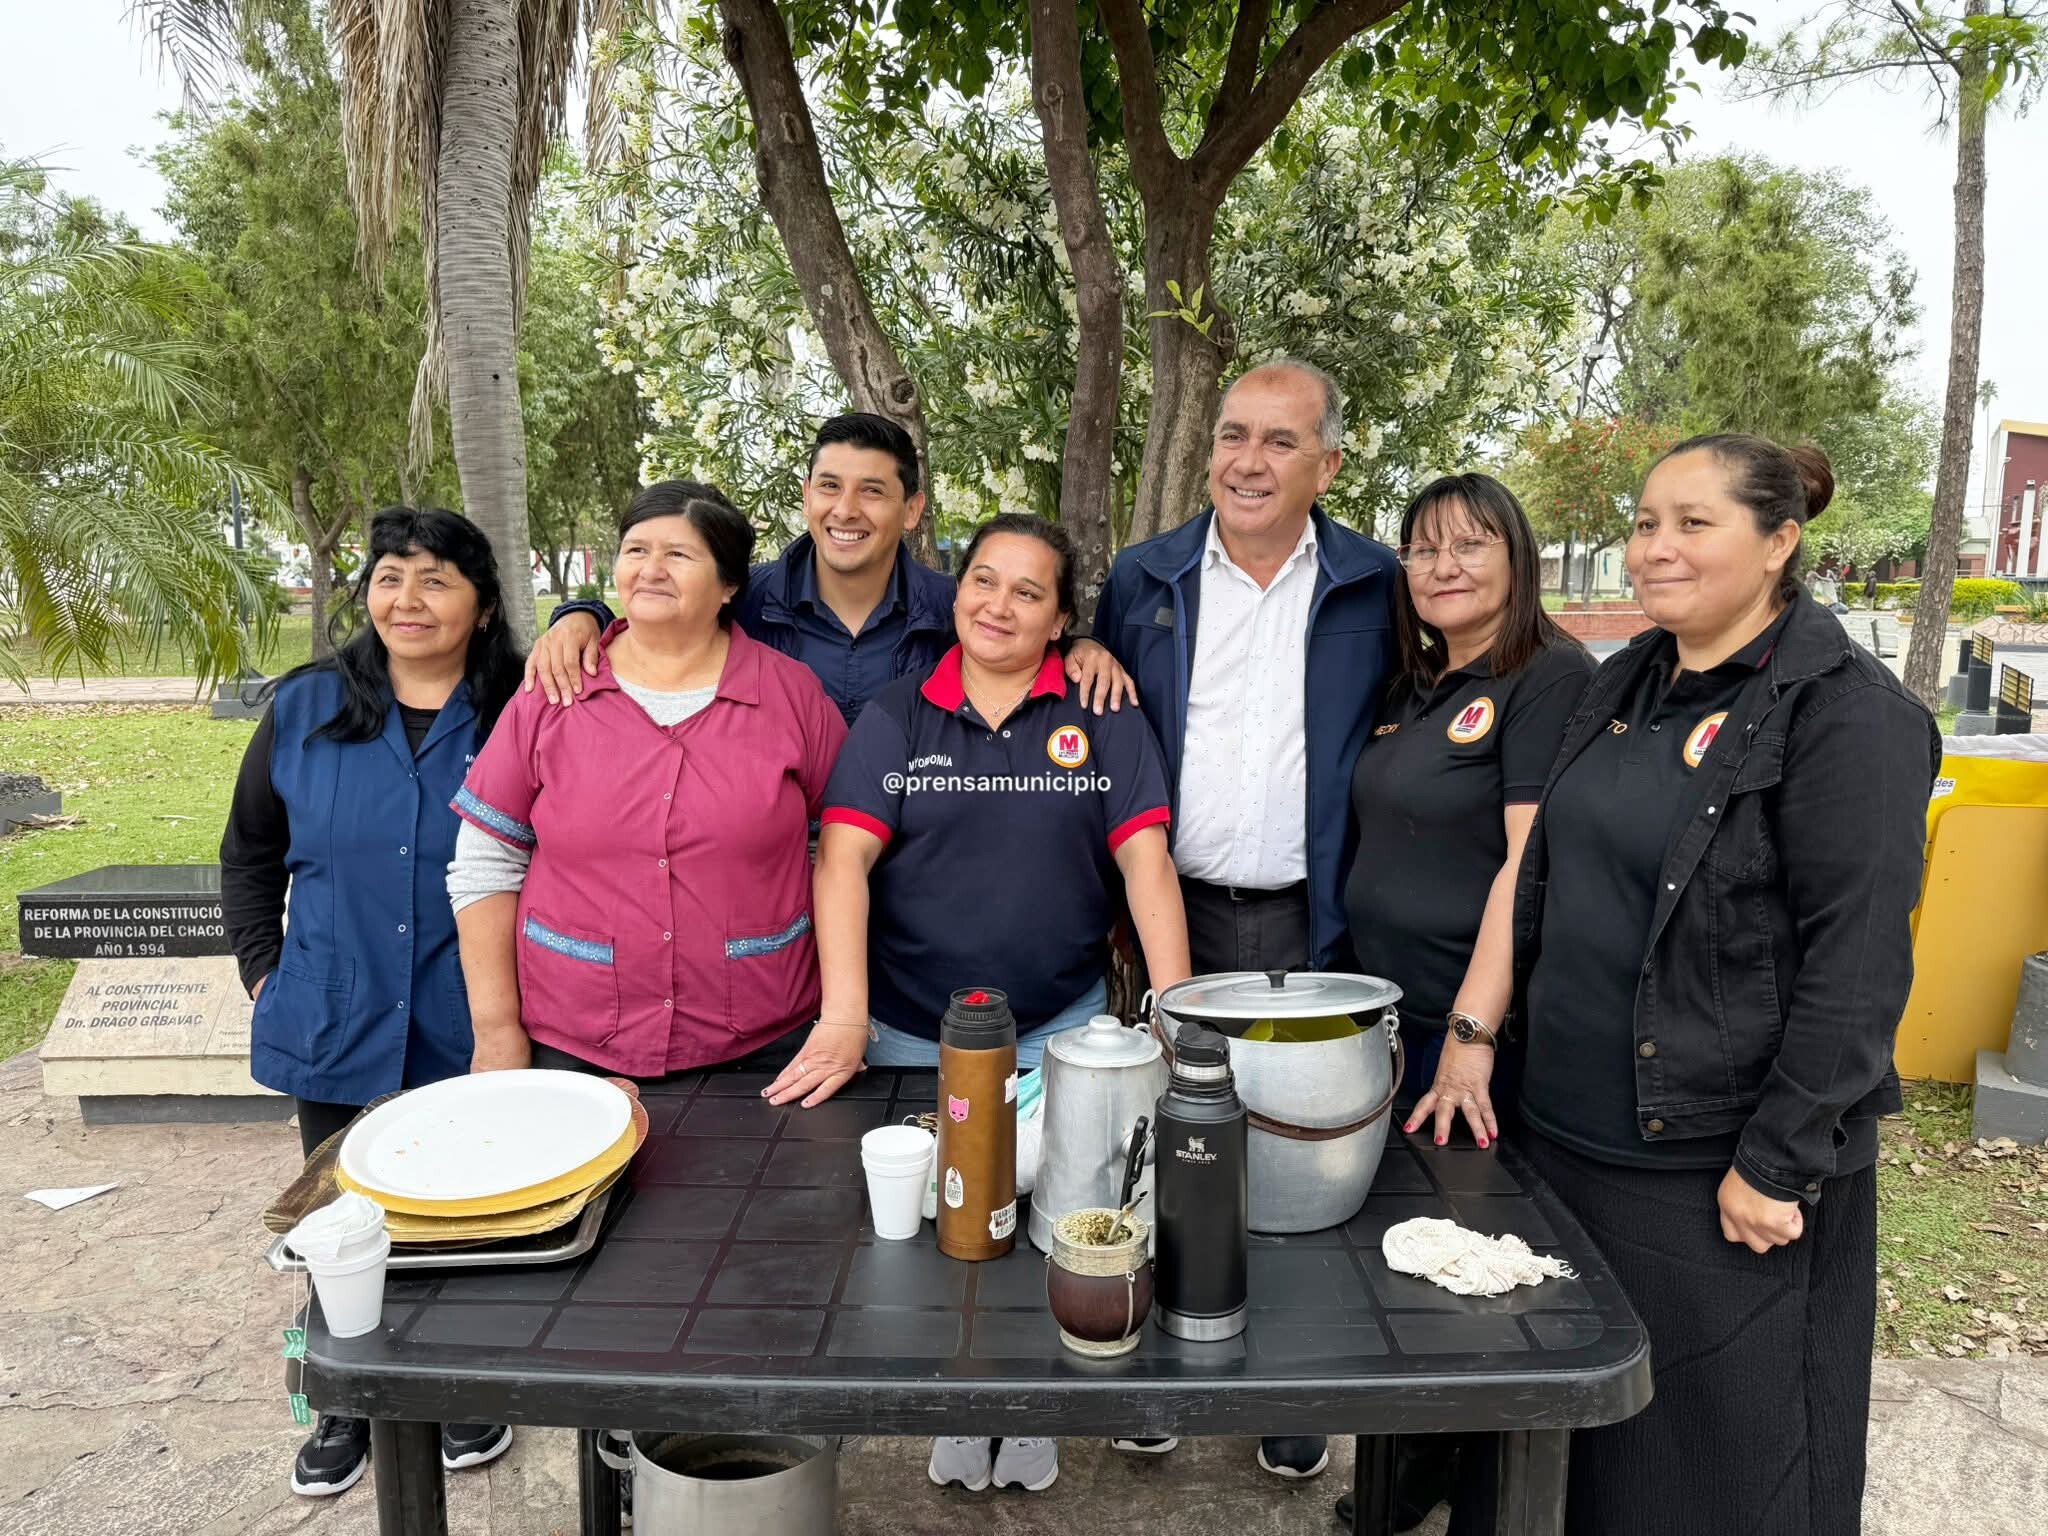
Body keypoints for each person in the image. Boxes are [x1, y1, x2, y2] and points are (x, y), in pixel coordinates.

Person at [1500, 435, 1937, 1535]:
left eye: (1693, 524)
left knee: (1717, 1470)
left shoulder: (1847, 716)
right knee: (1588, 1469)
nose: (1655, 547)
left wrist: (1775, 1161)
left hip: (1710, 1173)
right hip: (1565, 1145)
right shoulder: (1625, 679)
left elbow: (1857, 970)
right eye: (1646, 523)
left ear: (1779, 542)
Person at [801, 513, 1192, 1494]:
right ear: (957, 589)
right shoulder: (900, 712)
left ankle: (1031, 1411)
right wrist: (844, 1016)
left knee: (1053, 1223)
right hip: (912, 1035)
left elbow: (1145, 862)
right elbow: (842, 861)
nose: (998, 605)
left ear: (1061, 619)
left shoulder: (1100, 714)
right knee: (939, 1231)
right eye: (983, 580)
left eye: (1028, 591)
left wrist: (1177, 1015)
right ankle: (954, 1399)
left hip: (1058, 1031)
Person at [1091, 356, 1400, 1482]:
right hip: (1179, 921)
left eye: (1280, 440)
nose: (1248, 461)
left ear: (1328, 464)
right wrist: (1081, 646)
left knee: (1309, 1158)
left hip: (1319, 930)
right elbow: (1092, 692)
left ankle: (1296, 1387)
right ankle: (1164, 1372)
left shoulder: (1375, 582)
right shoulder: (1145, 576)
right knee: (1173, 1151)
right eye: (1233, 435)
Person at [221, 507, 525, 1498]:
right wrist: (263, 969)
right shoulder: (305, 706)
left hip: (467, 1011)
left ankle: (461, 1380)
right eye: (390, 577)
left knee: (468, 1207)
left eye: (436, 579)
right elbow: (250, 853)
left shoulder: (522, 709)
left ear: (482, 606)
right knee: (339, 1218)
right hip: (334, 1010)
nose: (408, 599)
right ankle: (340, 1398)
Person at [1332, 474, 1591, 1533]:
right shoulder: (1417, 684)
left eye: (1470, 544)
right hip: (1392, 1021)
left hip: (1471, 1032)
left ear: (1516, 555)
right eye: (1424, 548)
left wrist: (1471, 1034)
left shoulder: (1546, 677)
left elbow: (1526, 866)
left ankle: (1471, 1482)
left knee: (1475, 1259)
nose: (1443, 567)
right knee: (1409, 1246)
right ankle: (1411, 1465)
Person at [448, 480, 845, 1079]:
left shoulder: (791, 696)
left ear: (729, 584)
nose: (651, 570)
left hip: (766, 1041)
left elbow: (839, 851)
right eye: (636, 550)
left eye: (679, 554)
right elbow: (487, 863)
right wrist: (497, 1029)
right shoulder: (552, 692)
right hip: (576, 1040)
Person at [526, 412, 1135, 722]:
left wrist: (1081, 648)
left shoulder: (952, 610)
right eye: (829, 486)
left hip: (909, 869)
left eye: (872, 491)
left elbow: (1022, 648)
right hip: (773, 864)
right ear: (806, 495)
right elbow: (658, 616)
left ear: (912, 509)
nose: (845, 510)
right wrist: (582, 616)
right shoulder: (745, 600)